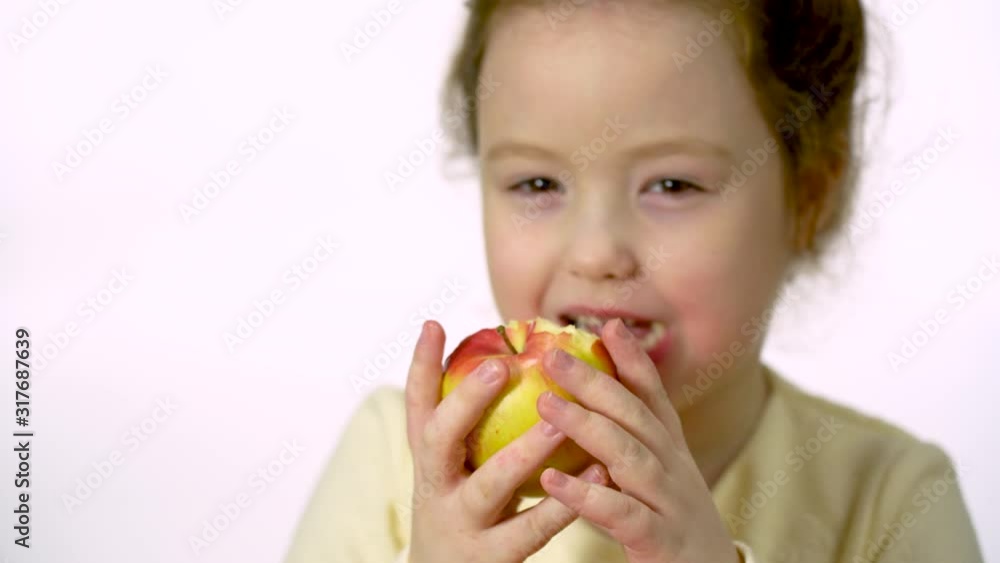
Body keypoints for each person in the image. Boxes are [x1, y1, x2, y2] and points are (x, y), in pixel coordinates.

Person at [284, 1, 984, 561]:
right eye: (536, 182)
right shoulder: (398, 458)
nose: (596, 252)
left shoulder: (886, 497)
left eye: (672, 184)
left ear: (808, 197)